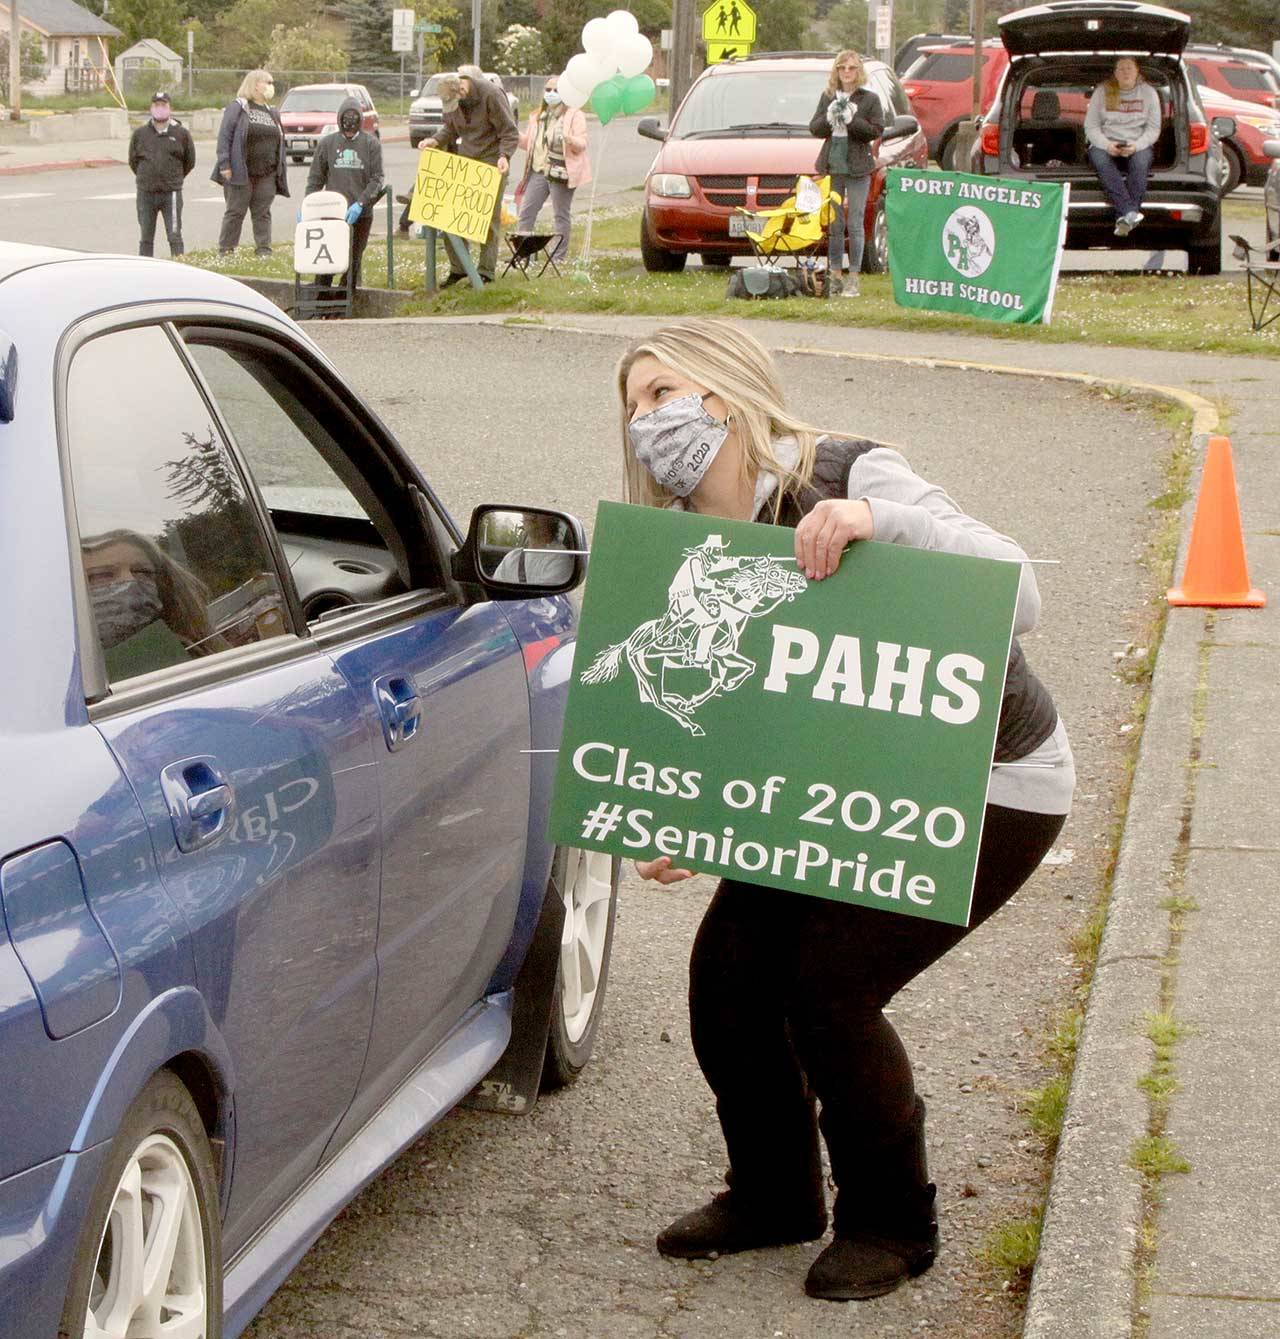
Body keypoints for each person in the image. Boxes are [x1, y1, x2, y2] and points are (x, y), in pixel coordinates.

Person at [617, 319, 1074, 1303]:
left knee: (827, 985)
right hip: (836, 775)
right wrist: (682, 812)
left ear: (723, 392)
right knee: (727, 978)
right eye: (632, 405)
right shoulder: (681, 539)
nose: (644, 420)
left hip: (987, 780)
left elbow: (1019, 590)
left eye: (662, 393)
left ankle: (891, 1220)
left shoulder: (846, 469)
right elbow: (721, 693)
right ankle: (776, 1193)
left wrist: (878, 523)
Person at [422, 67, 519, 286]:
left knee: (486, 216)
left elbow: (509, 131)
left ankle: (486, 271)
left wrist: (505, 156)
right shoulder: (452, 96)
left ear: (463, 90)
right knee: (449, 215)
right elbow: (450, 128)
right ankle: (459, 268)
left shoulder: (491, 94)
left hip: (492, 160)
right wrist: (435, 140)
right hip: (466, 159)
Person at [81, 530, 223, 679]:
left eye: (143, 572)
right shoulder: (77, 680)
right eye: (101, 575)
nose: (131, 582)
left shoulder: (193, 652)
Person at [809, 50, 884, 298]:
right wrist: (830, 117)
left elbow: (875, 130)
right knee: (835, 223)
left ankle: (853, 277)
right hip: (833, 165)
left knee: (855, 222)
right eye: (842, 68)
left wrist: (851, 120)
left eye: (852, 68)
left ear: (858, 71)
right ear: (837, 71)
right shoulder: (828, 96)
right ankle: (835, 276)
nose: (847, 72)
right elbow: (815, 128)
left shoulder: (869, 99)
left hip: (858, 167)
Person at [306, 95, 384, 289]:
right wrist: (308, 206)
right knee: (328, 260)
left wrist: (361, 203)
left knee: (353, 259)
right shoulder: (327, 144)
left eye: (353, 128)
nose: (349, 133)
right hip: (332, 213)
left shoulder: (371, 144)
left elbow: (377, 178)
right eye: (345, 127)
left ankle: (344, 300)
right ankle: (322, 297)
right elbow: (315, 179)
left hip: (361, 213)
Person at [515, 75, 592, 266]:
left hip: (560, 171)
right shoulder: (537, 116)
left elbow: (582, 143)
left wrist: (569, 139)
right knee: (526, 211)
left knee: (560, 214)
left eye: (556, 90)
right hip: (538, 171)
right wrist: (513, 135)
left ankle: (557, 257)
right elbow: (529, 144)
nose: (551, 94)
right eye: (548, 90)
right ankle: (523, 253)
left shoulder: (574, 115)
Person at [213, 69, 290, 257]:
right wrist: (225, 164)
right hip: (241, 172)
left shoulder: (272, 112)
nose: (271, 86)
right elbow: (225, 136)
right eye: (268, 82)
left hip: (267, 174)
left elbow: (279, 141)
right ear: (255, 84)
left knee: (262, 213)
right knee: (235, 212)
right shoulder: (239, 107)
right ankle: (227, 250)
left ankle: (264, 249)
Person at [1085, 56, 1160, 237]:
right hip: (1105, 143)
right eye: (1121, 69)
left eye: (1129, 68)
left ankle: (1125, 217)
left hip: (1137, 143)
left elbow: (1153, 129)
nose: (1125, 72)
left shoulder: (1149, 93)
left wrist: (1137, 146)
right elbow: (1091, 127)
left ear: (1137, 72)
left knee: (1140, 164)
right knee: (1101, 162)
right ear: (1115, 73)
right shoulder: (1103, 91)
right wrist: (1107, 145)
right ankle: (1130, 212)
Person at [128, 91, 195, 258]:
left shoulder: (181, 134)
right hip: (146, 193)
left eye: (163, 105)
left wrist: (173, 177)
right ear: (151, 108)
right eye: (156, 105)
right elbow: (133, 161)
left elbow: (189, 161)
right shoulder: (140, 134)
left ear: (170, 108)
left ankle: (179, 266)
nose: (160, 109)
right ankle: (145, 268)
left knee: (174, 235)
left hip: (170, 193)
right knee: (146, 236)